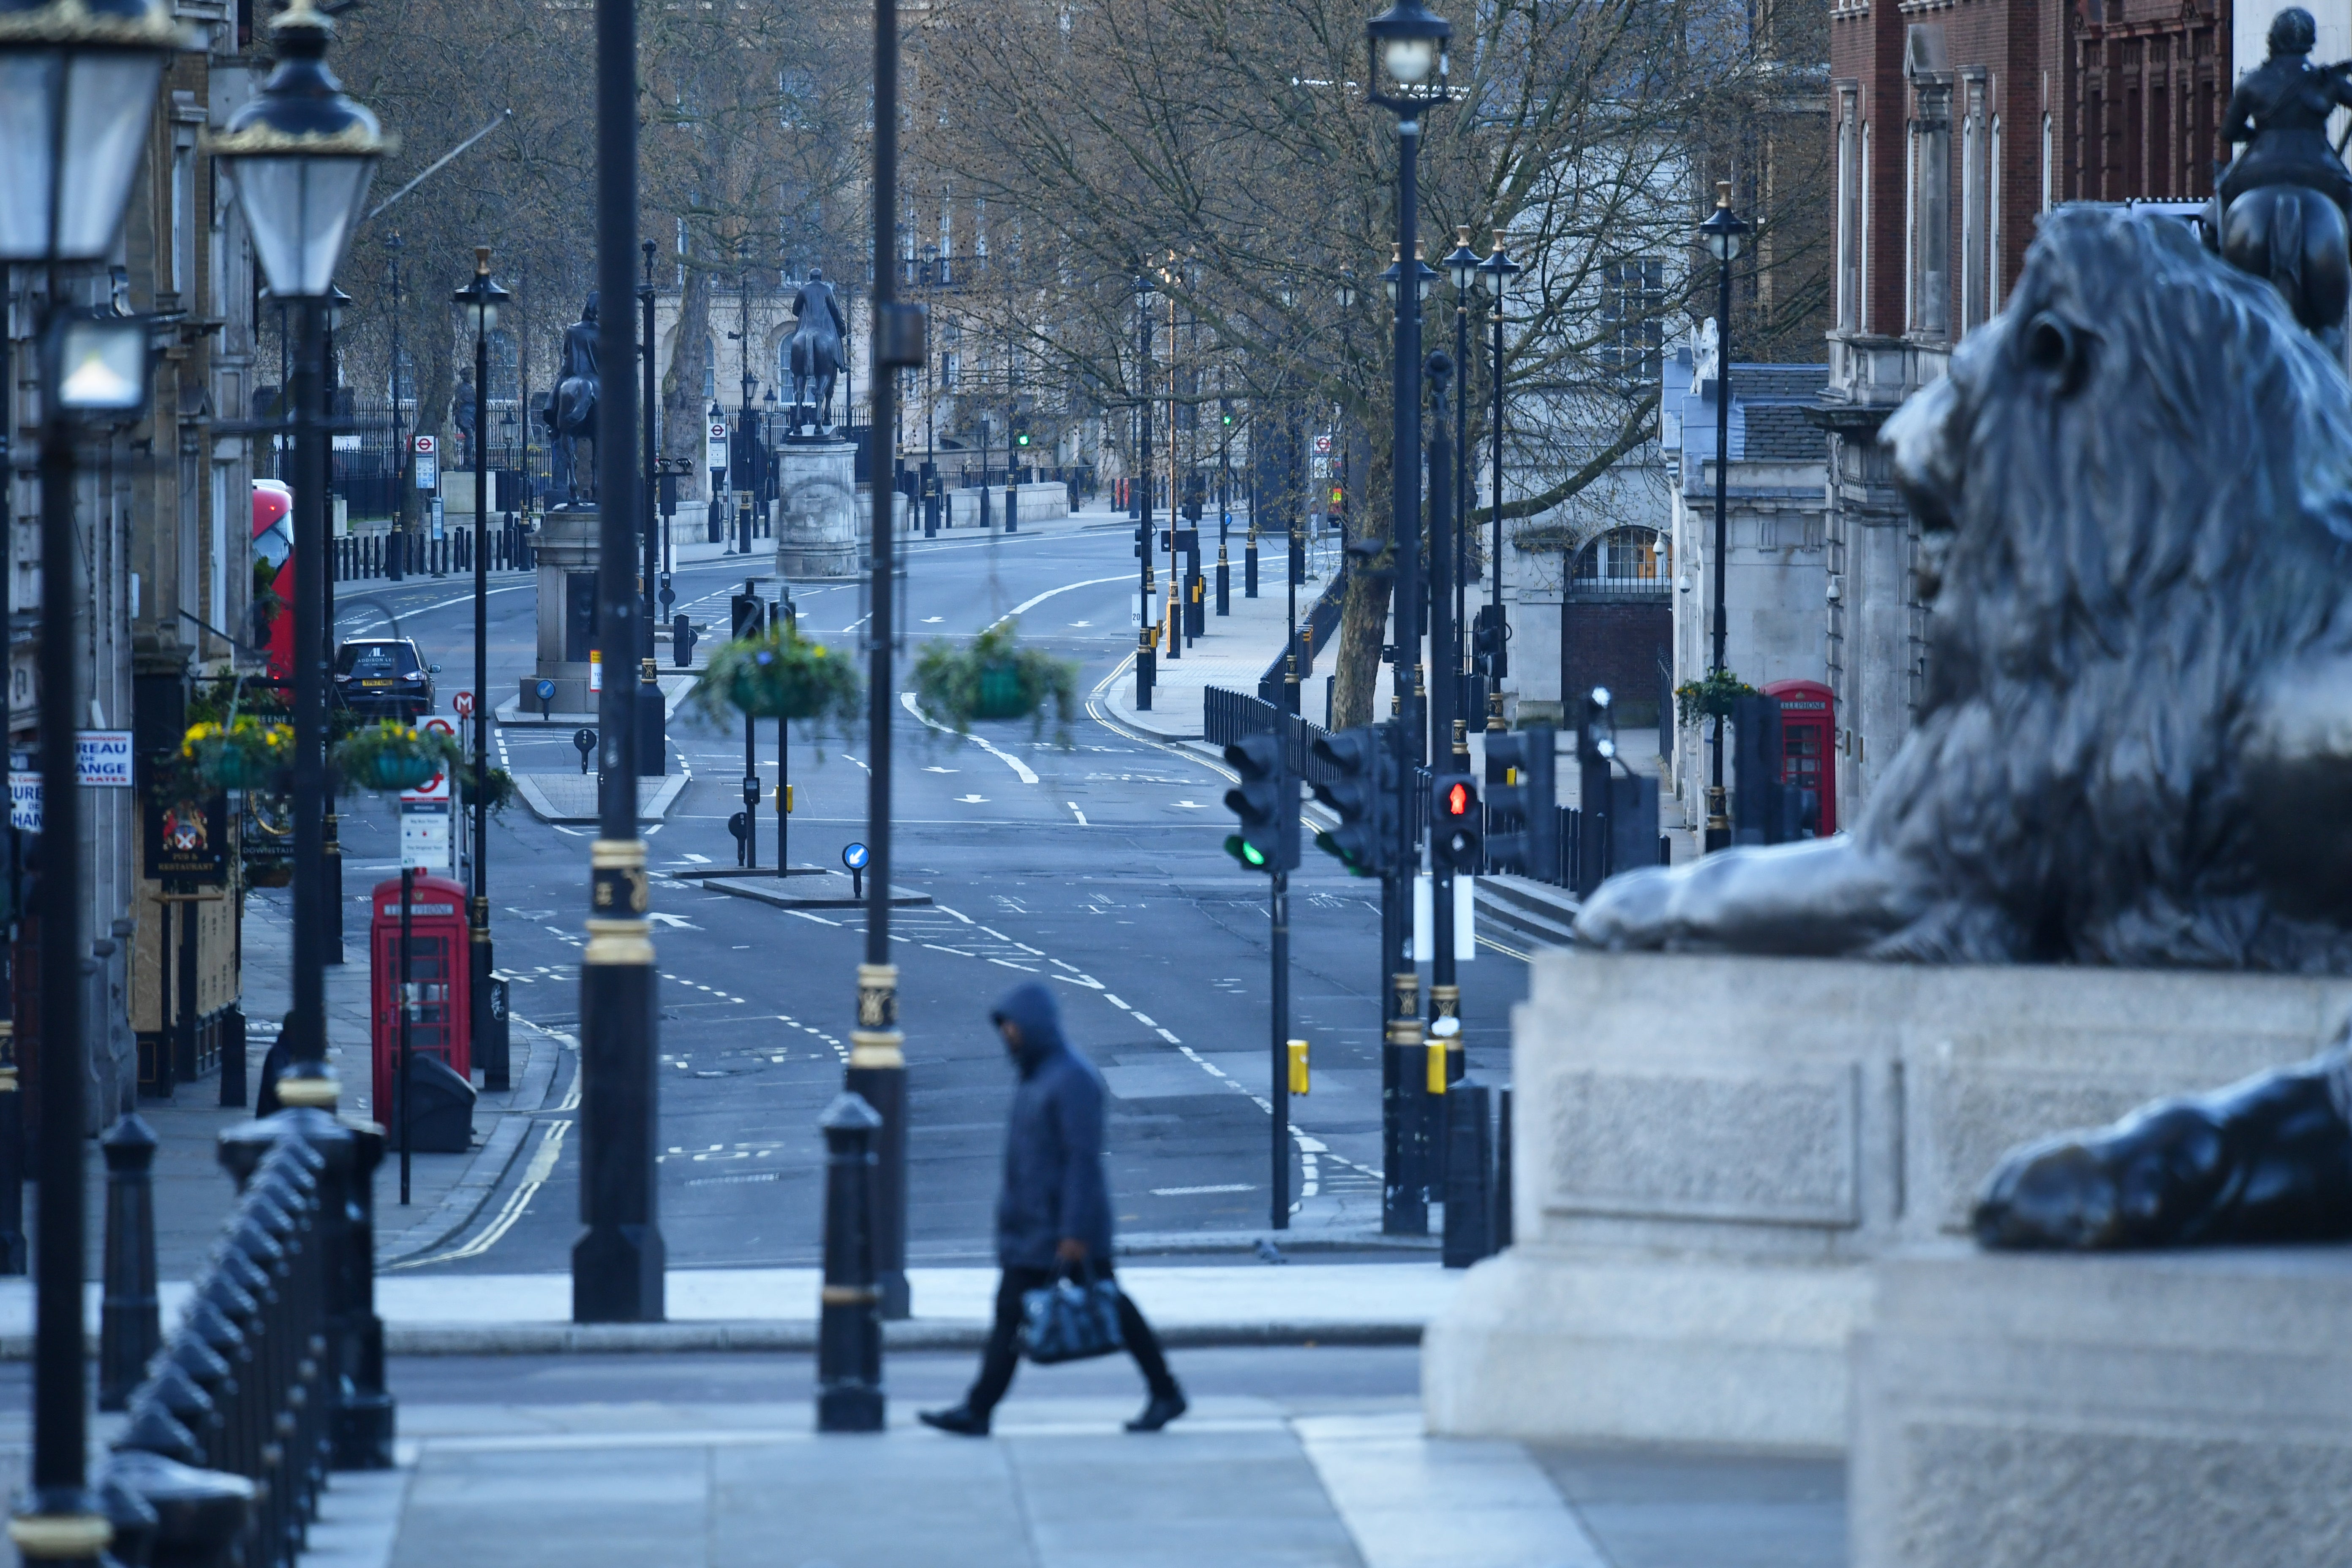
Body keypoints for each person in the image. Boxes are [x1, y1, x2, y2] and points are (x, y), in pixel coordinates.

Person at [920, 981, 1186, 1436]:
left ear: (1032, 1026)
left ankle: (1164, 1391)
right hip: (1035, 1227)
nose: (1007, 1037)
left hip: (1064, 1228)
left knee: (1107, 1306)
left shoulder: (1071, 1078)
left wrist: (1074, 1229)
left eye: (1011, 1028)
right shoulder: (1038, 1074)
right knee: (1024, 1312)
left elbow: (1082, 1159)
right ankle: (980, 1409)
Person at [2219, 8, 2352, 223]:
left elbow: (2228, 132)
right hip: (2318, 168)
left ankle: (2209, 247)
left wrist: (2255, 136)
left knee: (2222, 200)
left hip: (2259, 169)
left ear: (2274, 39)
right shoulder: (2326, 81)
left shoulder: (2251, 82)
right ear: (2310, 41)